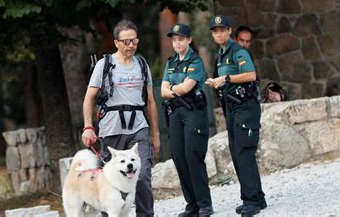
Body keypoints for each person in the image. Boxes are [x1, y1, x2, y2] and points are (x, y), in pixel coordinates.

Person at [82, 20, 160, 217]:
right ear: (116, 42)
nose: (130, 45)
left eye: (133, 41)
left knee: (142, 175)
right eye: (125, 42)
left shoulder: (142, 64)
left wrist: (155, 134)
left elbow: (150, 101)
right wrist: (88, 127)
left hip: (138, 127)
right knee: (109, 179)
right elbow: (89, 97)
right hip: (111, 130)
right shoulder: (104, 65)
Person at [205, 15, 266, 216]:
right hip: (232, 108)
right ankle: (258, 197)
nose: (219, 33)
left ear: (229, 31)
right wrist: (216, 82)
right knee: (238, 152)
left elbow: (251, 75)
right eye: (215, 31)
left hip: (246, 107)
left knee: (243, 152)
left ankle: (251, 202)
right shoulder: (221, 55)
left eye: (222, 30)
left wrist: (227, 78)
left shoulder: (238, 51)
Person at [161, 24, 214, 217]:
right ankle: (191, 204)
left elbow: (187, 88)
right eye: (174, 40)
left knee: (193, 155)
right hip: (175, 112)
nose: (177, 43)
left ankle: (204, 204)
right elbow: (162, 91)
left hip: (193, 111)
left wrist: (173, 90)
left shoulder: (196, 61)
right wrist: (176, 89)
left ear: (189, 40)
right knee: (178, 155)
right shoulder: (171, 62)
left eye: (181, 39)